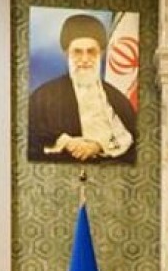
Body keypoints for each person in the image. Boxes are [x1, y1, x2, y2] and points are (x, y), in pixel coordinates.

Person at [27, 14, 136, 164]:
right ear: (67, 54)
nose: (85, 59)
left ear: (101, 54)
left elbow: (128, 138)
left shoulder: (117, 99)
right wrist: (65, 142)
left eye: (91, 52)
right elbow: (32, 135)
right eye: (77, 52)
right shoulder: (43, 97)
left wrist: (99, 146)